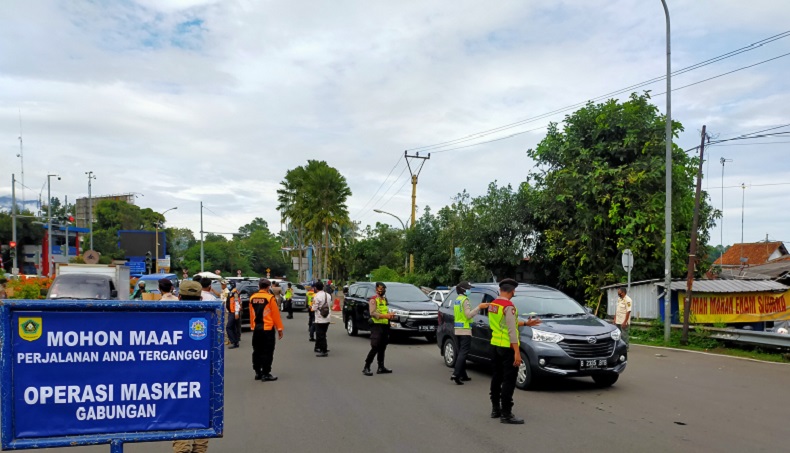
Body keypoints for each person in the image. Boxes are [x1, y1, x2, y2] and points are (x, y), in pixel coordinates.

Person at [488, 278, 541, 425]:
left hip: (494, 345)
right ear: (512, 291)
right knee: (509, 381)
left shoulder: (493, 304)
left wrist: (525, 323)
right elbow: (511, 330)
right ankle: (506, 414)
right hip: (507, 348)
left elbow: (505, 323)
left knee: (496, 378)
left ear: (500, 290)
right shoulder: (509, 306)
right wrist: (517, 352)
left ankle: (495, 409)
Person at [173, 280, 210, 453]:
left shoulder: (168, 318)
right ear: (201, 298)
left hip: (176, 380)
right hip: (203, 380)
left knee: (178, 418)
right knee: (202, 419)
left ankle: (181, 448)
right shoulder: (209, 317)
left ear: (179, 297)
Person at [450, 281, 489, 385]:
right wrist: (479, 307)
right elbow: (468, 315)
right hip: (465, 330)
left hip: (457, 329)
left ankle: (463, 375)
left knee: (460, 353)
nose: (469, 290)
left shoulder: (457, 300)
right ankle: (456, 374)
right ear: (463, 290)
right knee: (463, 353)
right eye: (468, 288)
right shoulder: (465, 300)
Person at [248, 278, 284, 382]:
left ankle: (257, 372)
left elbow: (251, 314)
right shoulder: (270, 298)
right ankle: (266, 373)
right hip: (267, 329)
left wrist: (252, 326)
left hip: (257, 329)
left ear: (259, 286)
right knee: (267, 351)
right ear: (268, 287)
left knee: (257, 350)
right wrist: (280, 329)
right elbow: (275, 315)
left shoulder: (252, 298)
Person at [362, 282, 396, 376]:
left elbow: (385, 310)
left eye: (384, 289)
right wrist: (385, 315)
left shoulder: (384, 299)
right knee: (375, 346)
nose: (382, 291)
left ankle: (381, 367)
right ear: (376, 289)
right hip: (376, 326)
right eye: (380, 289)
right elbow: (372, 313)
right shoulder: (373, 300)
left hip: (385, 325)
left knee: (383, 347)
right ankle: (366, 367)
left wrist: (390, 315)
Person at [313, 281, 331, 357]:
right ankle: (318, 347)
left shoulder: (317, 296)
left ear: (316, 288)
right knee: (323, 333)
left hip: (320, 318)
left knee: (320, 335)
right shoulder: (328, 295)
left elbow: (314, 308)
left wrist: (311, 307)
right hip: (327, 317)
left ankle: (323, 350)